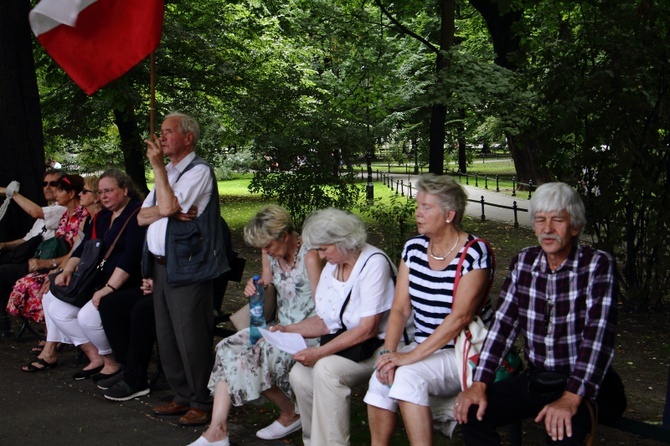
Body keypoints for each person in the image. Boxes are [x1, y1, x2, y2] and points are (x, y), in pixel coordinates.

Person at [453, 182, 626, 445]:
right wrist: (480, 382)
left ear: (575, 227)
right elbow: (503, 327)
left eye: (557, 220)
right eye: (540, 220)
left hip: (587, 384)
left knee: (561, 430)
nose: (547, 229)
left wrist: (570, 398)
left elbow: (598, 339)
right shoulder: (524, 262)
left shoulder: (597, 265)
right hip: (538, 379)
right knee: (473, 413)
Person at [364, 173, 494, 446]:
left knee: (408, 375)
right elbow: (399, 309)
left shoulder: (474, 252)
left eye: (426, 207)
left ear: (449, 215)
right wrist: (389, 353)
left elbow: (460, 318)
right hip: (425, 345)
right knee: (381, 376)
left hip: (461, 352)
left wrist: (408, 358)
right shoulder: (413, 248)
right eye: (418, 205)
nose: (418, 213)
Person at [187, 205, 325, 446]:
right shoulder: (270, 253)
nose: (265, 251)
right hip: (278, 328)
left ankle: (290, 413)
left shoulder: (311, 255)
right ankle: (217, 431)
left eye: (268, 245)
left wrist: (288, 329)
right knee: (227, 348)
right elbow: (268, 290)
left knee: (249, 356)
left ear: (284, 236)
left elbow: (325, 311)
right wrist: (255, 288)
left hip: (307, 333)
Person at [272, 208, 396, 446]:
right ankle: (313, 441)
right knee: (299, 375)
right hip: (355, 345)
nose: (318, 256)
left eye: (323, 248)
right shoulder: (332, 266)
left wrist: (319, 352)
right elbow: (325, 320)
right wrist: (287, 329)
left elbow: (368, 329)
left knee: (326, 370)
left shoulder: (373, 263)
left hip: (383, 346)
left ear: (343, 241)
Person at [138, 112, 228, 427]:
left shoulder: (199, 171)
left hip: (189, 267)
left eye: (168, 132)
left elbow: (168, 208)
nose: (161, 137)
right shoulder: (171, 173)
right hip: (163, 266)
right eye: (160, 132)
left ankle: (202, 401)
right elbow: (142, 216)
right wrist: (164, 208)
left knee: (191, 337)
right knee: (167, 335)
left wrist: (160, 176)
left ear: (188, 137)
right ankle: (182, 394)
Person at [32, 170, 145, 378]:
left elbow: (130, 257)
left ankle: (113, 362)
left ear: (125, 190)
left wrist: (108, 288)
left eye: (109, 191)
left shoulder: (136, 214)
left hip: (126, 283)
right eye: (101, 191)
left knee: (87, 317)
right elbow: (83, 248)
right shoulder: (102, 216)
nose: (103, 196)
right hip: (96, 281)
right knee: (56, 306)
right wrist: (66, 270)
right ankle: (98, 356)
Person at [6, 174, 89, 325]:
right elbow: (29, 238)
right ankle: (51, 334)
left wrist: (51, 265)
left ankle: (52, 336)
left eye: (59, 190)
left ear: (71, 194)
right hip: (55, 262)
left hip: (70, 265)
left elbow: (77, 251)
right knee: (23, 283)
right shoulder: (64, 215)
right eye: (45, 184)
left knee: (32, 284)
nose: (54, 193)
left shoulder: (83, 216)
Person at [0, 170, 65, 334]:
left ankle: (3, 321)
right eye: (45, 184)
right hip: (27, 258)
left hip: (41, 263)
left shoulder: (62, 209)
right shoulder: (46, 211)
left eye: (53, 183)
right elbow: (27, 240)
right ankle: (4, 322)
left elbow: (35, 211)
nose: (47, 187)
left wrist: (11, 193)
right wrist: (5, 245)